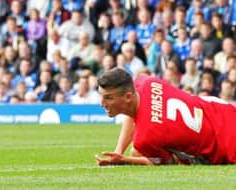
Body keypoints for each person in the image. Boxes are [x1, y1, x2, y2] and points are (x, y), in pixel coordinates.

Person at [95, 67, 236, 166]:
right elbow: (132, 111)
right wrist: (118, 151)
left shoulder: (145, 138)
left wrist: (124, 160)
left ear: (127, 97)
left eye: (108, 98)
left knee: (137, 152)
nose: (102, 103)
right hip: (221, 111)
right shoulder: (146, 82)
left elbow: (166, 162)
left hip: (226, 146)